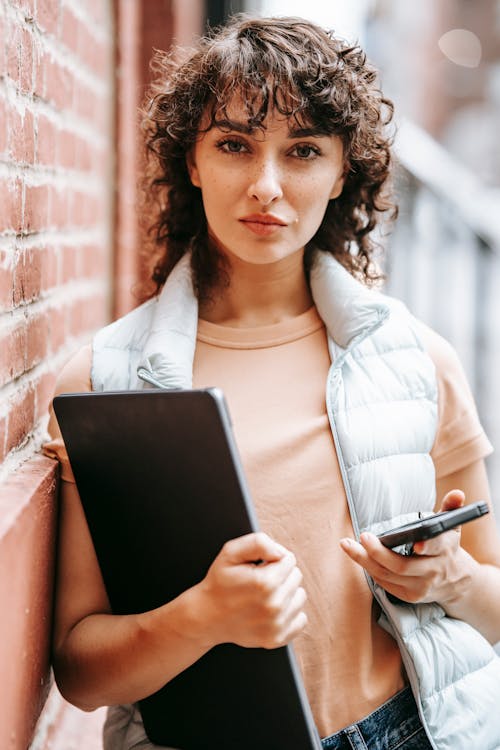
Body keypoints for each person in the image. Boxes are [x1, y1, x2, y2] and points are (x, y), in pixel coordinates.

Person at [44, 15, 500, 750]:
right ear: (190, 161)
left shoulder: (417, 359)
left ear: (342, 169)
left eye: (303, 151)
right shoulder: (106, 381)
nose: (266, 186)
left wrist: (448, 579)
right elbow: (81, 671)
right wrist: (201, 617)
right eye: (233, 145)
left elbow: (493, 604)